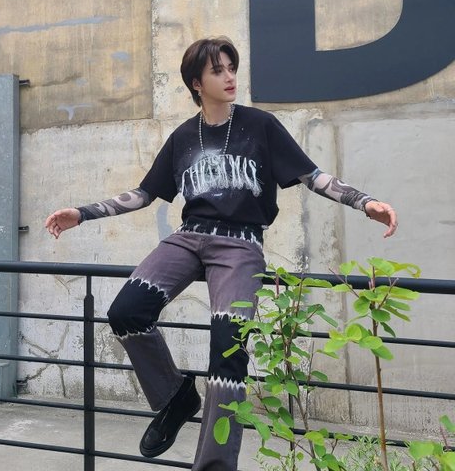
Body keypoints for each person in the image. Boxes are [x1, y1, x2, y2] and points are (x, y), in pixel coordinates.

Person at [45, 36, 398, 471]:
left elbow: (313, 176)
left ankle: (213, 465)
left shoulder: (260, 125)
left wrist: (365, 202)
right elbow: (144, 193)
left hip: (240, 243)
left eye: (232, 67)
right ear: (197, 83)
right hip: (189, 237)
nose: (230, 77)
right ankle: (175, 397)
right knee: (126, 310)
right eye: (218, 71)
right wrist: (82, 213)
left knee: (228, 348)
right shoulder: (183, 137)